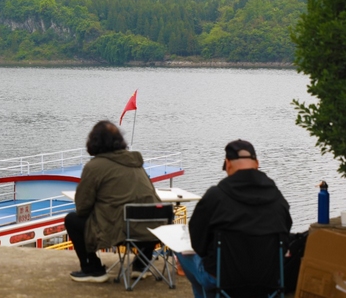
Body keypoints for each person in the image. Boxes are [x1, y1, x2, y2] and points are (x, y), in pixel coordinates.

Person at [176, 140, 292, 298]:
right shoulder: (278, 200)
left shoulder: (215, 196)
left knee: (181, 252)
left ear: (228, 164)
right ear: (257, 164)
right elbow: (284, 240)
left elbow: (198, 243)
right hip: (268, 282)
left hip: (223, 282)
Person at [64, 120, 160, 283]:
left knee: (72, 220)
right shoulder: (136, 163)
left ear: (94, 142)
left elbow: (82, 208)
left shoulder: (94, 167)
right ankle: (141, 264)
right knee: (144, 216)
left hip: (121, 231)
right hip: (154, 229)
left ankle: (93, 269)